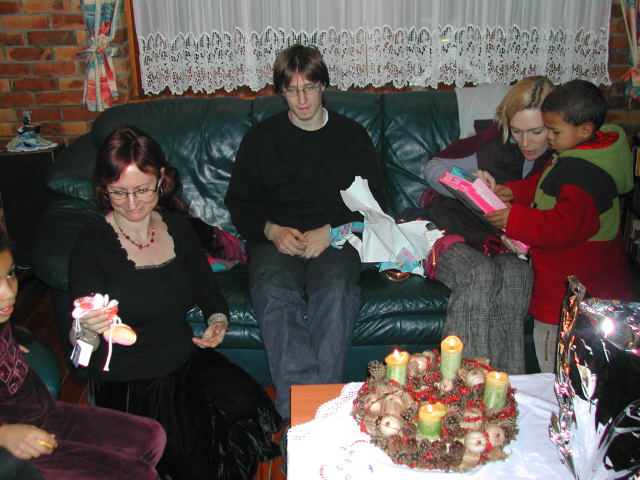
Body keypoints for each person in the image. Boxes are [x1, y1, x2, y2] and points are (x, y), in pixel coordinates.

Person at [68, 126, 282, 480]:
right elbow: (81, 347)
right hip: (130, 381)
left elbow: (208, 290)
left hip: (184, 360)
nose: (132, 203)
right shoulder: (92, 243)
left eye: (142, 189)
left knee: (246, 406)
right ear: (104, 189)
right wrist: (85, 330)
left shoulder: (177, 227)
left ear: (161, 179)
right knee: (183, 466)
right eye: (119, 192)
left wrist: (218, 320)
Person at [224, 44, 385, 419]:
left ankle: (311, 414)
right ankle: (307, 414)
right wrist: (271, 230)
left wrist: (331, 231)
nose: (301, 100)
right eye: (292, 90)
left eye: (309, 88)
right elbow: (239, 202)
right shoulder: (261, 139)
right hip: (276, 240)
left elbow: (376, 203)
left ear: (323, 86)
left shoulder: (351, 136)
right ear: (281, 92)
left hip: (336, 237)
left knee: (335, 289)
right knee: (273, 290)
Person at [486, 79, 634, 372]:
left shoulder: (585, 174)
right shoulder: (576, 156)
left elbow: (564, 227)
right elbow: (545, 186)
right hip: (570, 289)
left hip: (576, 297)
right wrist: (513, 191)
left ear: (585, 130)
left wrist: (514, 218)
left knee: (558, 367)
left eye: (553, 131)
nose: (549, 138)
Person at [0, 231, 167, 479]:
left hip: (43, 413)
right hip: (14, 442)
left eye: (10, 274)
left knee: (151, 437)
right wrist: (4, 434)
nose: (8, 292)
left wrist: (12, 341)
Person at [422, 76, 555, 374]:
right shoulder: (492, 143)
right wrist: (469, 181)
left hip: (506, 242)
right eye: (517, 131)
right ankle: (462, 384)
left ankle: (506, 387)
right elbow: (433, 168)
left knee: (517, 275)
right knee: (479, 273)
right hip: (452, 227)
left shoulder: (561, 160)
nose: (526, 142)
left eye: (537, 132)